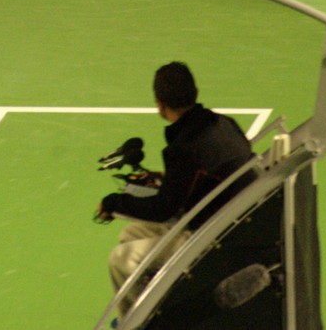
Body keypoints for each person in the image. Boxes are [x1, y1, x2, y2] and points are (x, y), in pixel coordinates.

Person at [96, 62, 256, 316]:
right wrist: (165, 179)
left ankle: (142, 323)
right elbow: (208, 173)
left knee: (122, 259)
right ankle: (165, 303)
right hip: (238, 217)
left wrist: (115, 203)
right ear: (194, 92)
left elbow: (163, 209)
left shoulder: (182, 148)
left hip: (215, 236)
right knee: (130, 234)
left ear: (160, 103)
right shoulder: (224, 123)